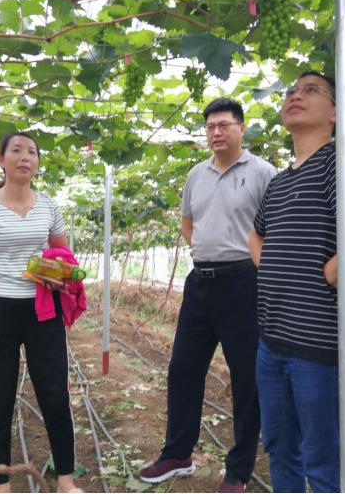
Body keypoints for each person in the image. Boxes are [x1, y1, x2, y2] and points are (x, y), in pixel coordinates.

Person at [248, 72, 345, 492]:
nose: (296, 95)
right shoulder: (279, 182)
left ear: (334, 113)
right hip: (271, 342)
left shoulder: (339, 164)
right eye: (291, 91)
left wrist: (336, 267)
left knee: (322, 457)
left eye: (311, 90)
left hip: (316, 349)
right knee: (280, 447)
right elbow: (254, 236)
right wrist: (274, 267)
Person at [139, 98, 277, 492]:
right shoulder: (196, 175)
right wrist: (205, 251)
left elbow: (273, 229)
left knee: (246, 378)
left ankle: (239, 470)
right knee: (182, 368)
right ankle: (177, 454)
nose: (216, 132)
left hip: (243, 283)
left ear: (241, 128)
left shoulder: (263, 173)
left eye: (224, 125)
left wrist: (253, 268)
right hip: (200, 283)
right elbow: (188, 223)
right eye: (210, 127)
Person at [0, 131, 82, 494]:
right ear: (1, 158)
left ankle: (66, 479)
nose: (25, 157)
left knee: (55, 392)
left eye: (32, 152)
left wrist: (60, 276)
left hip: (42, 308)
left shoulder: (49, 206)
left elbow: (65, 258)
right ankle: (0, 483)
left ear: (37, 163)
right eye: (16, 150)